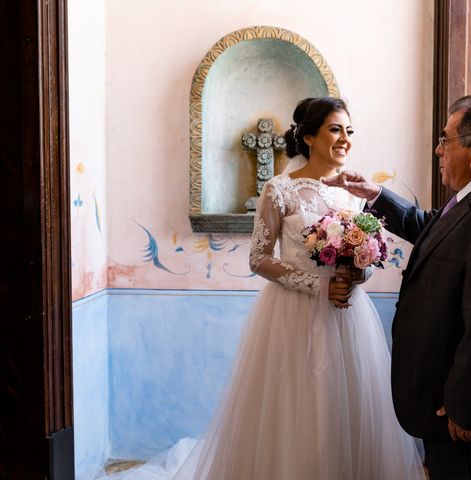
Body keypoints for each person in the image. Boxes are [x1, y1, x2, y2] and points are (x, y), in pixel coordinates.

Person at [102, 97, 426, 480]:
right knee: (298, 410)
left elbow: (366, 259)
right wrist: (317, 287)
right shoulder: (280, 190)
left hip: (349, 318)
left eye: (349, 131)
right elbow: (258, 258)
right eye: (335, 129)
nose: (345, 139)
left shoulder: (352, 192)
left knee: (350, 408)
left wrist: (355, 275)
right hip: (294, 316)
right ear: (308, 137)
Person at [323, 95, 471, 480]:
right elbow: (430, 227)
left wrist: (463, 407)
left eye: (446, 139)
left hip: (457, 418)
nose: (438, 149)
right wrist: (376, 196)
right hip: (439, 403)